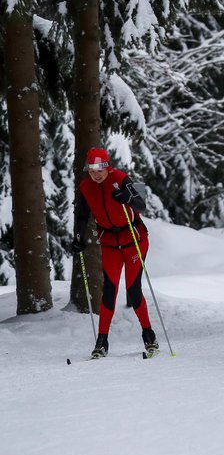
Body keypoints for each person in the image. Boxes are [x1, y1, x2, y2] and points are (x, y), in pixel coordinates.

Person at [70, 147, 156, 358]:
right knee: (109, 291)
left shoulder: (122, 178)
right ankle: (102, 341)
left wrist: (127, 197)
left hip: (134, 239)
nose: (96, 175)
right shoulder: (86, 187)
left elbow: (142, 205)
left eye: (100, 170)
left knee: (133, 290)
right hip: (109, 243)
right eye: (92, 171)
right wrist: (78, 236)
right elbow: (82, 215)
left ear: (107, 167)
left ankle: (149, 335)